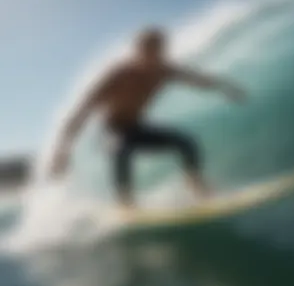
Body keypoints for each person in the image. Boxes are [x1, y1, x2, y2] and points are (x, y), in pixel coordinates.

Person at [49, 27, 246, 209]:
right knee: (121, 149)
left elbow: (198, 80)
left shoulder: (165, 70)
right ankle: (125, 201)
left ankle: (197, 186)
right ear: (137, 51)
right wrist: (62, 151)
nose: (154, 57)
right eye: (148, 51)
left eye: (159, 50)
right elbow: (82, 110)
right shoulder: (118, 75)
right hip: (112, 131)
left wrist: (226, 87)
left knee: (185, 142)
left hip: (136, 128)